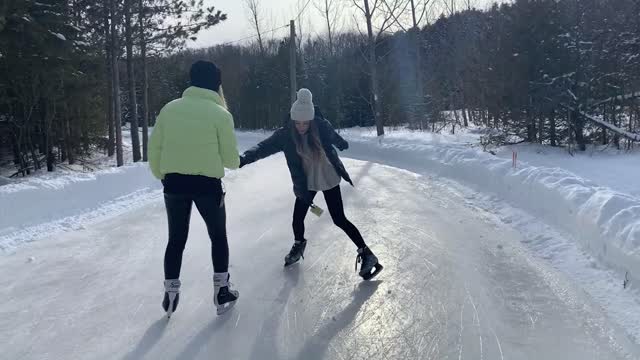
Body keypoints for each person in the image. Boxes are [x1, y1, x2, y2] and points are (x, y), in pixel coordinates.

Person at [239, 88, 383, 280]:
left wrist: (341, 143)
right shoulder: (285, 134)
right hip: (306, 182)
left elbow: (333, 136)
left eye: (305, 123)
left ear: (311, 120)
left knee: (339, 219)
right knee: (297, 217)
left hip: (327, 175)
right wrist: (243, 158)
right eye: (297, 122)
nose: (301, 126)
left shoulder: (321, 126)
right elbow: (263, 147)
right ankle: (299, 245)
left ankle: (367, 254)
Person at [148, 60, 240, 317]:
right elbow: (232, 160)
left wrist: (162, 175)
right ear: (216, 84)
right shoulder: (221, 114)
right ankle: (222, 291)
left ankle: (171, 292)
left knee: (176, 239)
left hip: (174, 185)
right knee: (218, 236)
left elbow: (154, 148)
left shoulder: (169, 109)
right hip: (207, 186)